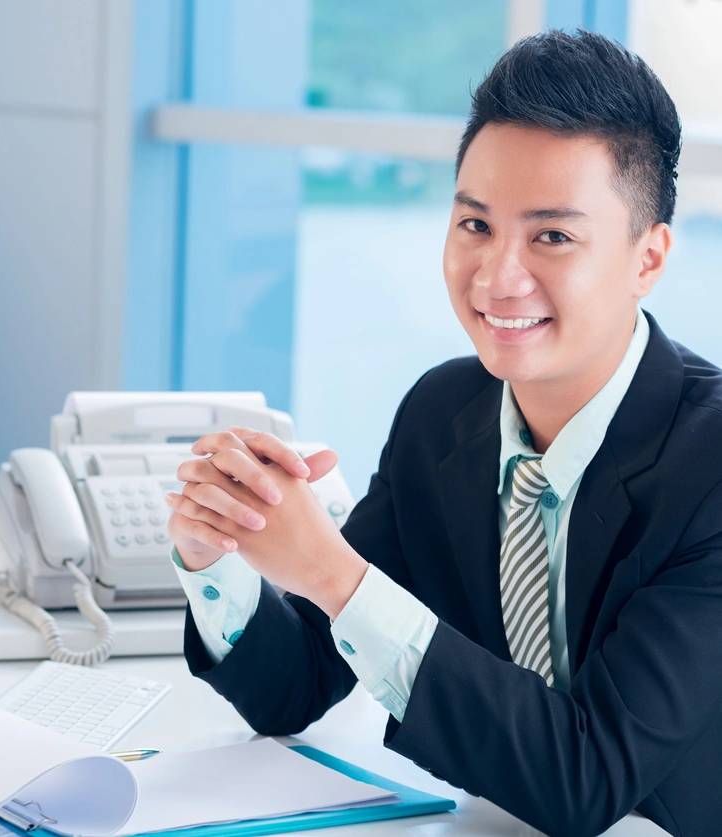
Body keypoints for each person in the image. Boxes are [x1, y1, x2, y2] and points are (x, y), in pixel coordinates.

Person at [164, 29, 721, 837]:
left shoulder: (708, 465)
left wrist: (331, 569)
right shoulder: (444, 415)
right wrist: (222, 553)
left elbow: (586, 778)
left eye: (552, 236)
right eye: (475, 226)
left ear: (648, 257)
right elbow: (297, 687)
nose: (498, 276)